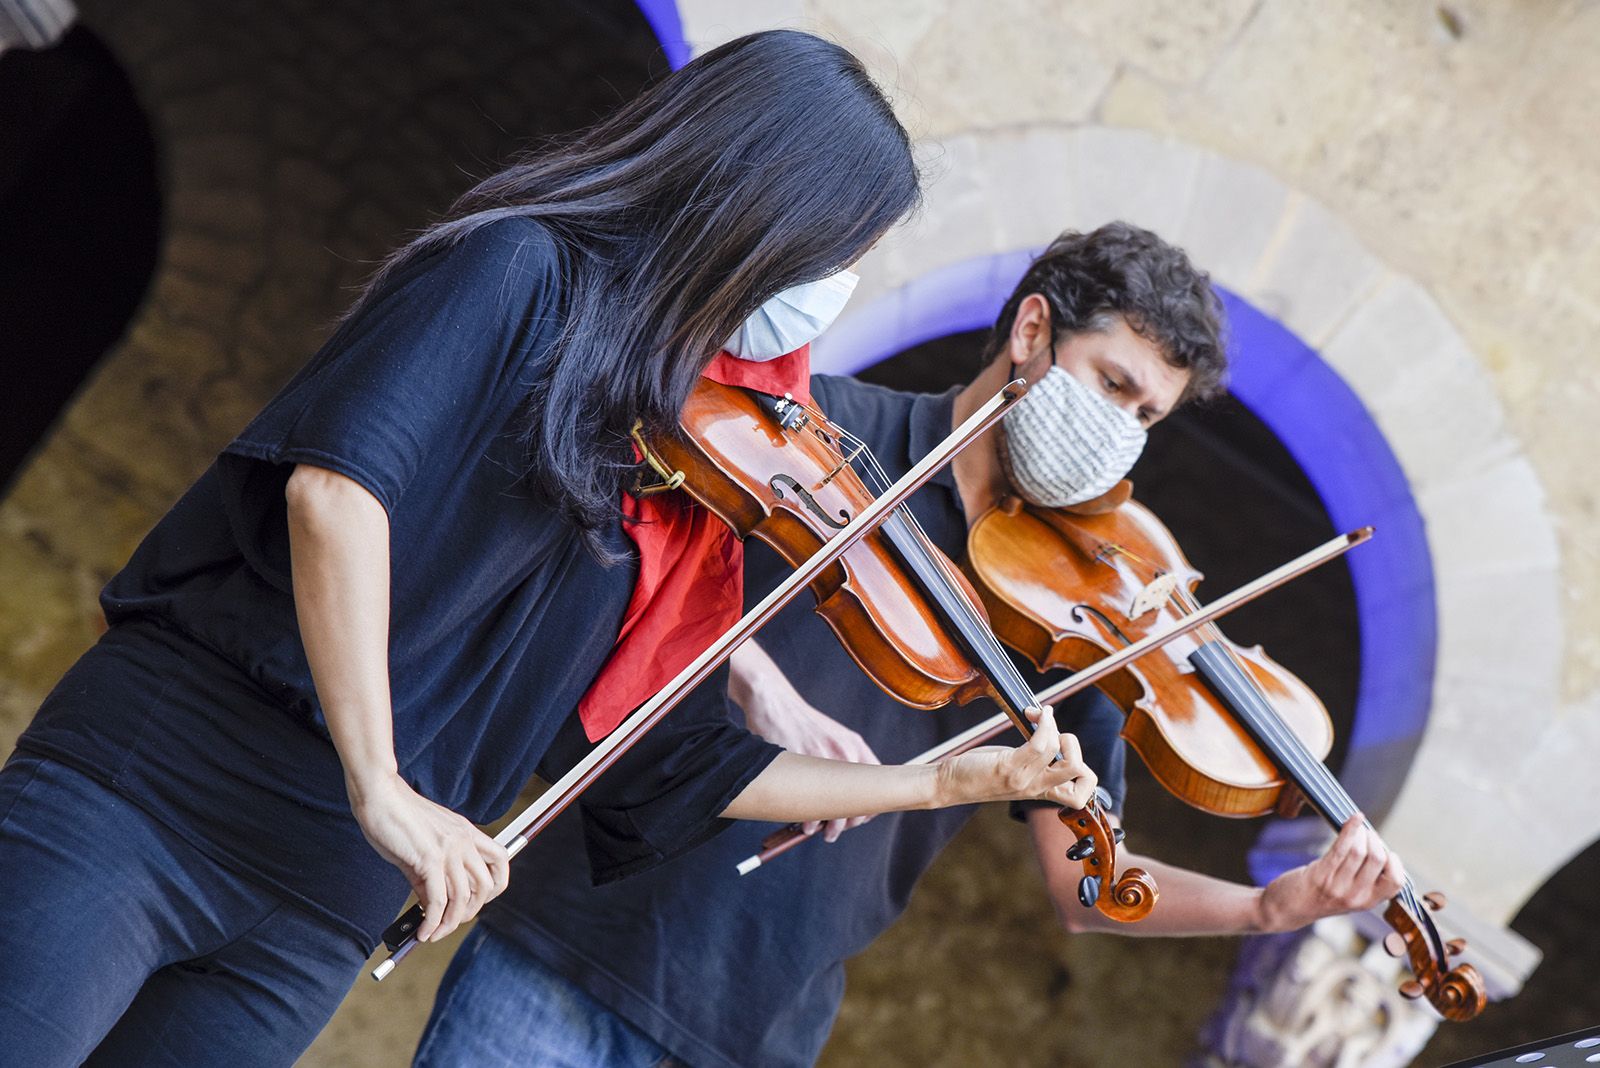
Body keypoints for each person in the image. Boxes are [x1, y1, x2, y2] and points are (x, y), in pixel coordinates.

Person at [0, 31, 1101, 1067]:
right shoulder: (516, 268)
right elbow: (335, 494)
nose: (829, 293)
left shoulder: (679, 453)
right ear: (762, 209)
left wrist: (937, 781)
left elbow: (664, 750)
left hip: (320, 906)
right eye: (838, 254)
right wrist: (379, 781)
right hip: (160, 789)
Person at [411, 224, 1410, 1068]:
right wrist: (749, 672)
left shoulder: (1081, 608)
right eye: (1112, 385)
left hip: (761, 1028)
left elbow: (1087, 885)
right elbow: (612, 561)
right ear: (1032, 330)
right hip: (573, 936)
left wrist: (1265, 911)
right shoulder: (815, 436)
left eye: (1146, 416)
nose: (1121, 431)